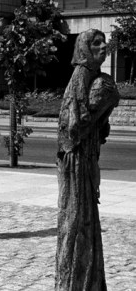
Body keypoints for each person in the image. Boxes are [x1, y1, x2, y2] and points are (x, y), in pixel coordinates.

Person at [55, 29, 119, 290]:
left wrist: (105, 111)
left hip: (87, 156)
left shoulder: (96, 77)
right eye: (96, 43)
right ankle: (75, 281)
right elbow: (74, 125)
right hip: (75, 158)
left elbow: (97, 128)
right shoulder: (81, 75)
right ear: (84, 49)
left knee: (86, 217)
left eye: (103, 42)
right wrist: (105, 103)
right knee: (76, 218)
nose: (103, 47)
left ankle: (89, 279)